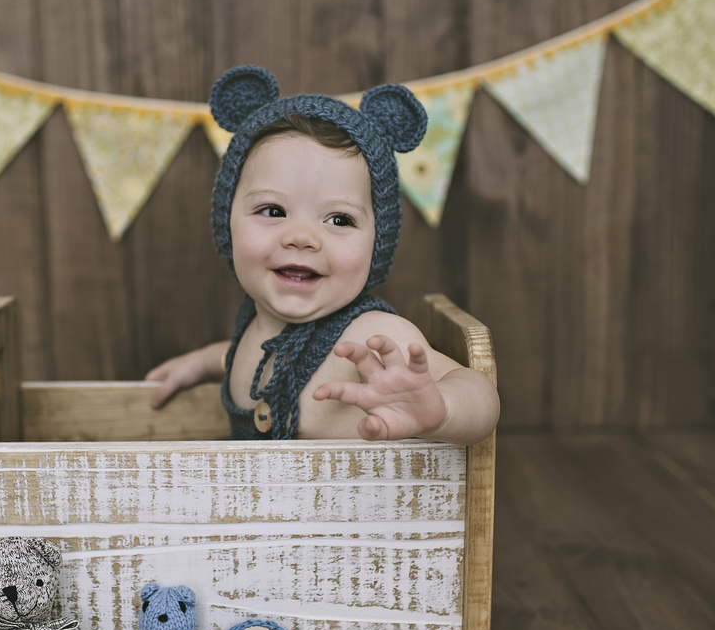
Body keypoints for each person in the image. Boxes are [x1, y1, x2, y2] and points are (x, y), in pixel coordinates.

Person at [145, 66, 499, 446]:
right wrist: (202, 364)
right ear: (227, 222)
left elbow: (480, 394)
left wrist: (441, 409)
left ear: (377, 242)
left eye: (339, 219)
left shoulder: (371, 338)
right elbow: (245, 354)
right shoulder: (256, 321)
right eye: (274, 211)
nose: (301, 238)